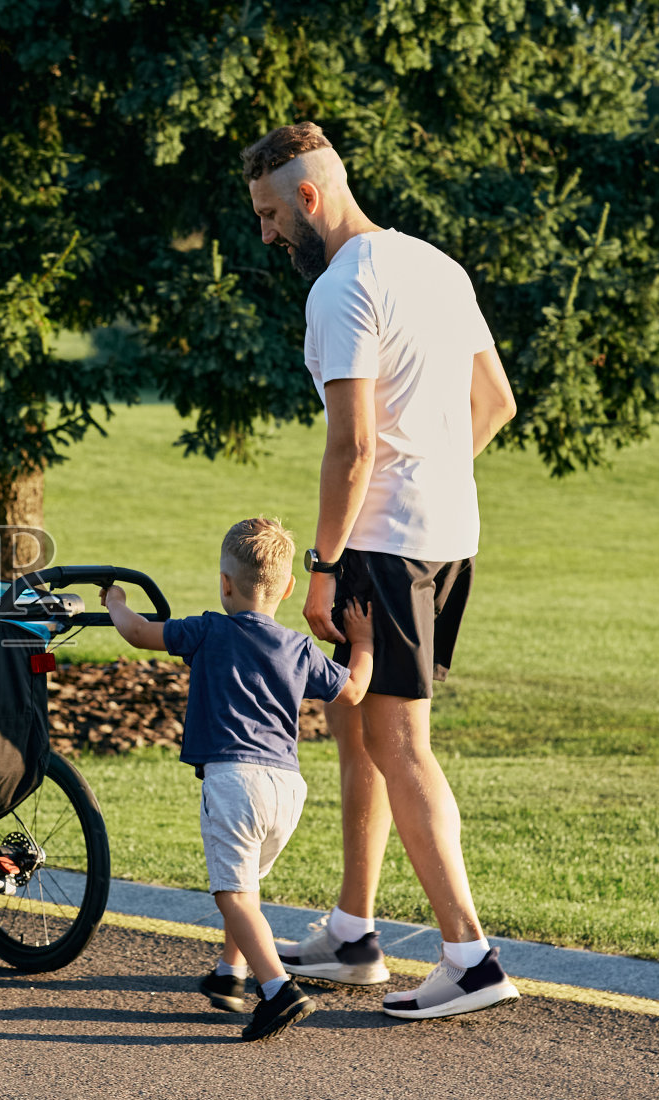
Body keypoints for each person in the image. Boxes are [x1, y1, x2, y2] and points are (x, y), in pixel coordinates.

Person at [241, 122, 521, 1020]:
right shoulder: (437, 267)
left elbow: (353, 445)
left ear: (309, 197)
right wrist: (436, 473)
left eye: (271, 213)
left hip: (384, 545)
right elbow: (497, 403)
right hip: (448, 536)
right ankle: (354, 933)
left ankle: (471, 958)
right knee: (359, 726)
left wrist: (324, 566)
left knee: (400, 744)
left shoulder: (342, 288)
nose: (268, 234)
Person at [101, 517, 373, 1041]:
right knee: (247, 886)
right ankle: (232, 973)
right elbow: (355, 691)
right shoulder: (297, 648)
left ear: (225, 583)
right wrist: (361, 640)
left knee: (232, 893)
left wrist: (115, 600)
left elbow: (137, 631)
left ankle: (278, 990)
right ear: (290, 588)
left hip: (233, 781)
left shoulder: (208, 628)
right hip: (287, 788)